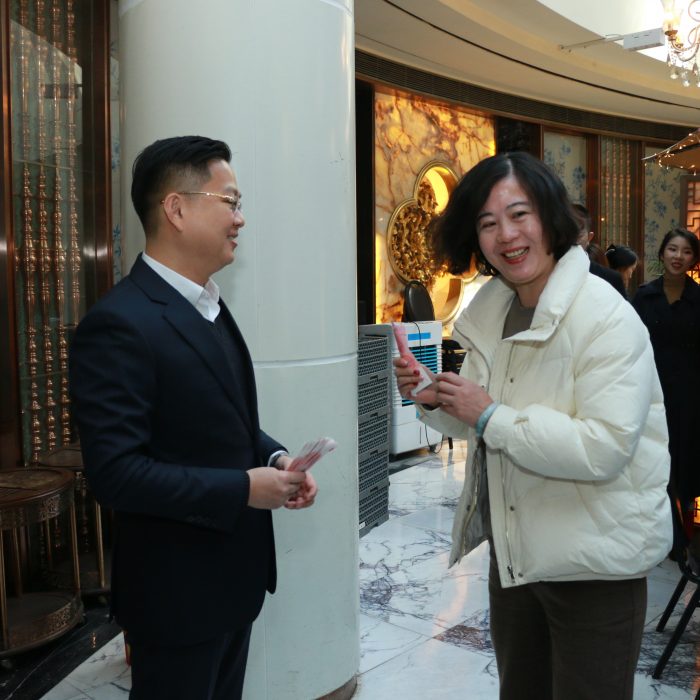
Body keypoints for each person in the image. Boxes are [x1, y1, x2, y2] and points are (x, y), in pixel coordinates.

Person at [394, 152, 671, 700]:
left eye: (519, 214)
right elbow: (479, 420)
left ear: (551, 217)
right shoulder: (492, 310)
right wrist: (435, 399)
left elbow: (604, 448)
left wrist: (489, 413)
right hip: (516, 554)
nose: (506, 235)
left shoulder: (607, 316)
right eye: (488, 222)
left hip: (594, 564)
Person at [69, 135, 317, 700]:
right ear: (176, 209)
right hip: (175, 596)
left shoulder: (208, 303)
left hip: (232, 583)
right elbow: (116, 474)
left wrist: (276, 457)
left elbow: (221, 420)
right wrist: (243, 489)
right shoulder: (119, 325)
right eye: (230, 202)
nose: (240, 218)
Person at [632, 228, 700, 520]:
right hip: (650, 389)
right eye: (673, 249)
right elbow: (630, 344)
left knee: (686, 454)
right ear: (662, 254)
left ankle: (683, 521)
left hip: (690, 393)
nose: (678, 256)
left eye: (686, 251)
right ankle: (652, 518)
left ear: (694, 259)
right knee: (652, 452)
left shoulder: (698, 298)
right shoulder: (644, 296)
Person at [572, 202, 627, 297]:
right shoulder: (547, 274)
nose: (571, 241)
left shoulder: (610, 278)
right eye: (565, 235)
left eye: (578, 236)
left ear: (589, 237)